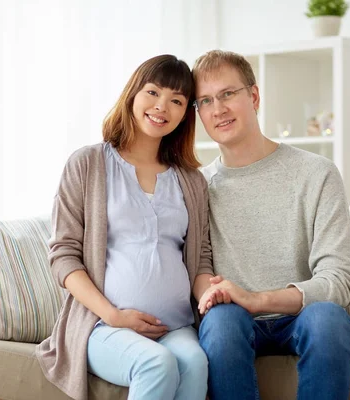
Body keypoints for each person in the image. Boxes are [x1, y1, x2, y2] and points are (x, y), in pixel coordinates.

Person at [36, 54, 215, 400]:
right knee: (156, 363)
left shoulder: (192, 181)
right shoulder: (88, 164)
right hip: (103, 325)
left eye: (176, 100)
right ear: (133, 93)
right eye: (153, 92)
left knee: (195, 362)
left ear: (185, 113)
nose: (162, 106)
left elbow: (201, 257)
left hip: (175, 325)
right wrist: (114, 315)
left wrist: (212, 295)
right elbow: (63, 256)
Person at [191, 50, 350, 400]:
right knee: (221, 324)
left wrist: (258, 299)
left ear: (253, 96)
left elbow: (340, 280)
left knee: (327, 320)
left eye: (227, 94)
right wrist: (220, 295)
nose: (218, 109)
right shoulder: (197, 187)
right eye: (205, 101)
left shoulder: (316, 173)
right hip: (234, 322)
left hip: (303, 318)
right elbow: (198, 269)